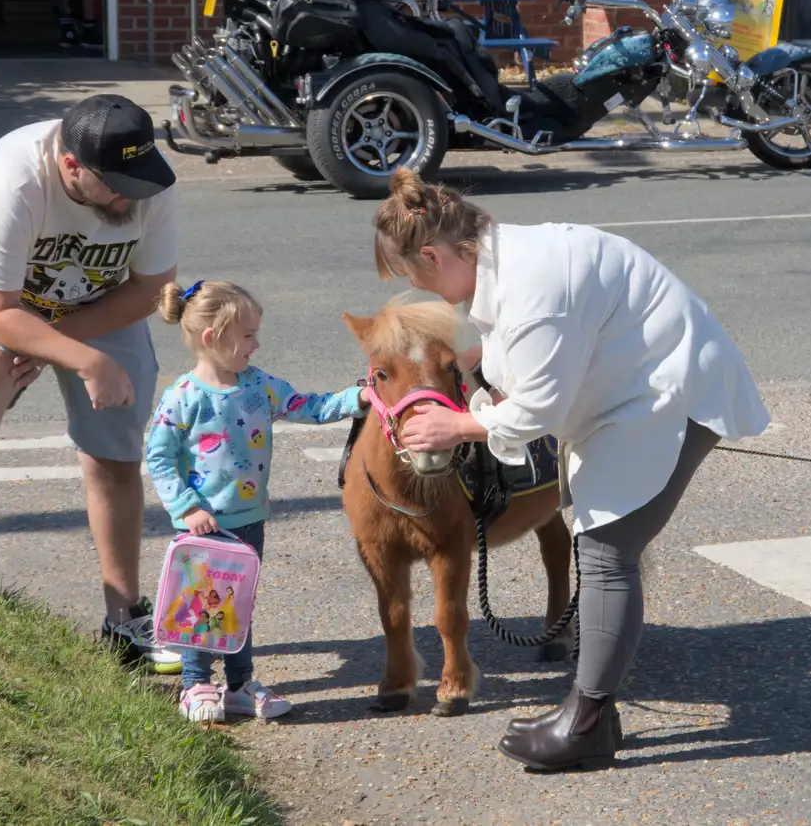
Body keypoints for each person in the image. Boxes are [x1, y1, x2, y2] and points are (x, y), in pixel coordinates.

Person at [370, 168, 770, 772]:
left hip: (667, 394)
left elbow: (540, 407)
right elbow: (525, 360)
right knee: (603, 548)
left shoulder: (534, 285)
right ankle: (590, 714)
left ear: (433, 253)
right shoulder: (510, 260)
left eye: (411, 275)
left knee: (609, 553)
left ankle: (586, 725)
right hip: (634, 393)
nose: (419, 288)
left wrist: (458, 426)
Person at [0, 95, 183, 676]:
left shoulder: (148, 184)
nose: (128, 198)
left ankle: (123, 619)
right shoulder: (13, 177)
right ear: (70, 167)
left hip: (101, 302)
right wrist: (73, 356)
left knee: (115, 451)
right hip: (0, 296)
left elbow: (151, 289)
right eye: (115, 185)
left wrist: (65, 344)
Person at [145, 278, 369, 723]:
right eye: (247, 335)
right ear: (213, 338)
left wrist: (357, 398)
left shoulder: (258, 386)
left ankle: (240, 684)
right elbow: (158, 455)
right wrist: (187, 508)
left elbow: (307, 405)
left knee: (237, 604)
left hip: (249, 519)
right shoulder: (184, 397)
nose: (257, 344)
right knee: (202, 606)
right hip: (203, 525)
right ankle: (195, 685)